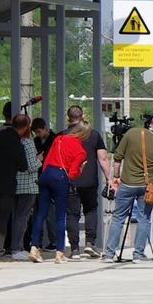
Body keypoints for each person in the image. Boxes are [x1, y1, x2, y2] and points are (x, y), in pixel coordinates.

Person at [104, 115, 153, 262]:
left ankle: (109, 253)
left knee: (118, 218)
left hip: (127, 183)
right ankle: (138, 254)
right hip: (147, 185)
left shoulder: (131, 134)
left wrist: (116, 176)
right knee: (144, 219)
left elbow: (118, 157)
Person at [30, 125, 85, 264]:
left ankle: (34, 247)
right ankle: (59, 252)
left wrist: (44, 174)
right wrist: (80, 169)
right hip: (60, 177)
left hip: (46, 174)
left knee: (40, 213)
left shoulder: (59, 139)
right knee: (60, 216)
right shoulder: (80, 151)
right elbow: (72, 173)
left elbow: (47, 159)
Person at [63, 105, 110, 259]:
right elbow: (103, 159)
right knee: (90, 210)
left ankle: (75, 249)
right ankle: (90, 243)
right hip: (90, 180)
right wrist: (109, 179)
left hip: (71, 179)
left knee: (72, 214)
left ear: (68, 117)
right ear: (82, 115)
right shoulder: (94, 135)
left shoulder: (63, 136)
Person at [0, 113, 27, 260]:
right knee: (1, 219)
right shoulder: (17, 143)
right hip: (6, 186)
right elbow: (23, 166)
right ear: (23, 129)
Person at [11, 120, 43, 260]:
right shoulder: (29, 143)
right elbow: (31, 166)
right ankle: (17, 248)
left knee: (16, 217)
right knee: (22, 218)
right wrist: (40, 159)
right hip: (29, 185)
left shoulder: (15, 141)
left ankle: (15, 247)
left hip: (17, 184)